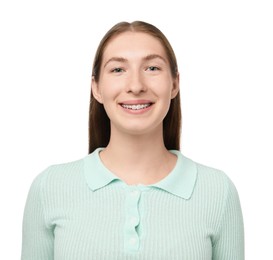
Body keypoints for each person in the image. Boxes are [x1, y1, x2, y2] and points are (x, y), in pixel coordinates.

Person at [21, 21, 244, 259]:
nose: (136, 86)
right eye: (118, 69)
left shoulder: (217, 191)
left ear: (174, 84)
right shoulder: (50, 187)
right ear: (96, 87)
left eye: (152, 68)